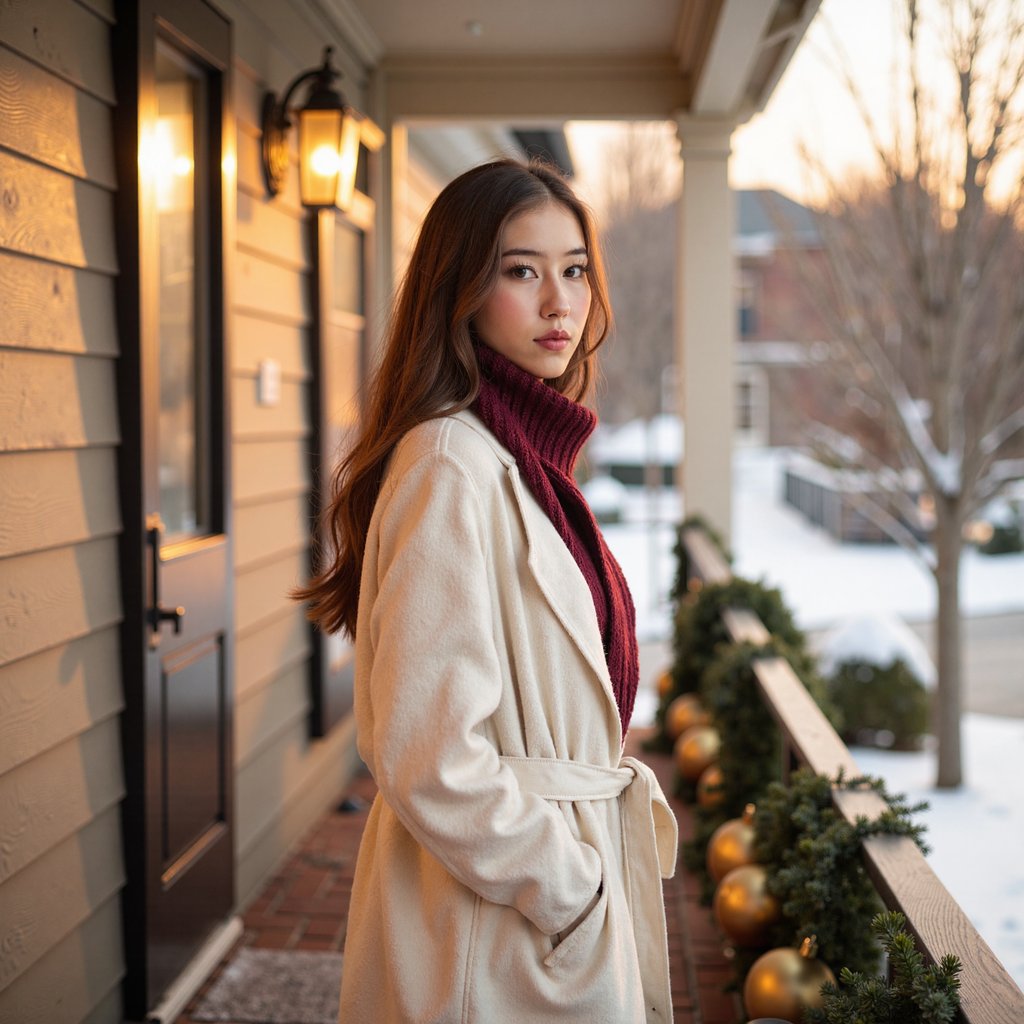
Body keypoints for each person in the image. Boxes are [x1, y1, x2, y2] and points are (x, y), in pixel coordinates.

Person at [297, 158, 678, 1023]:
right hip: (500, 919)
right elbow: (427, 755)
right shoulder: (448, 465)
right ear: (461, 288)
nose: (559, 302)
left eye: (574, 269)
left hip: (534, 900)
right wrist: (568, 887)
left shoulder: (529, 459)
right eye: (521, 270)